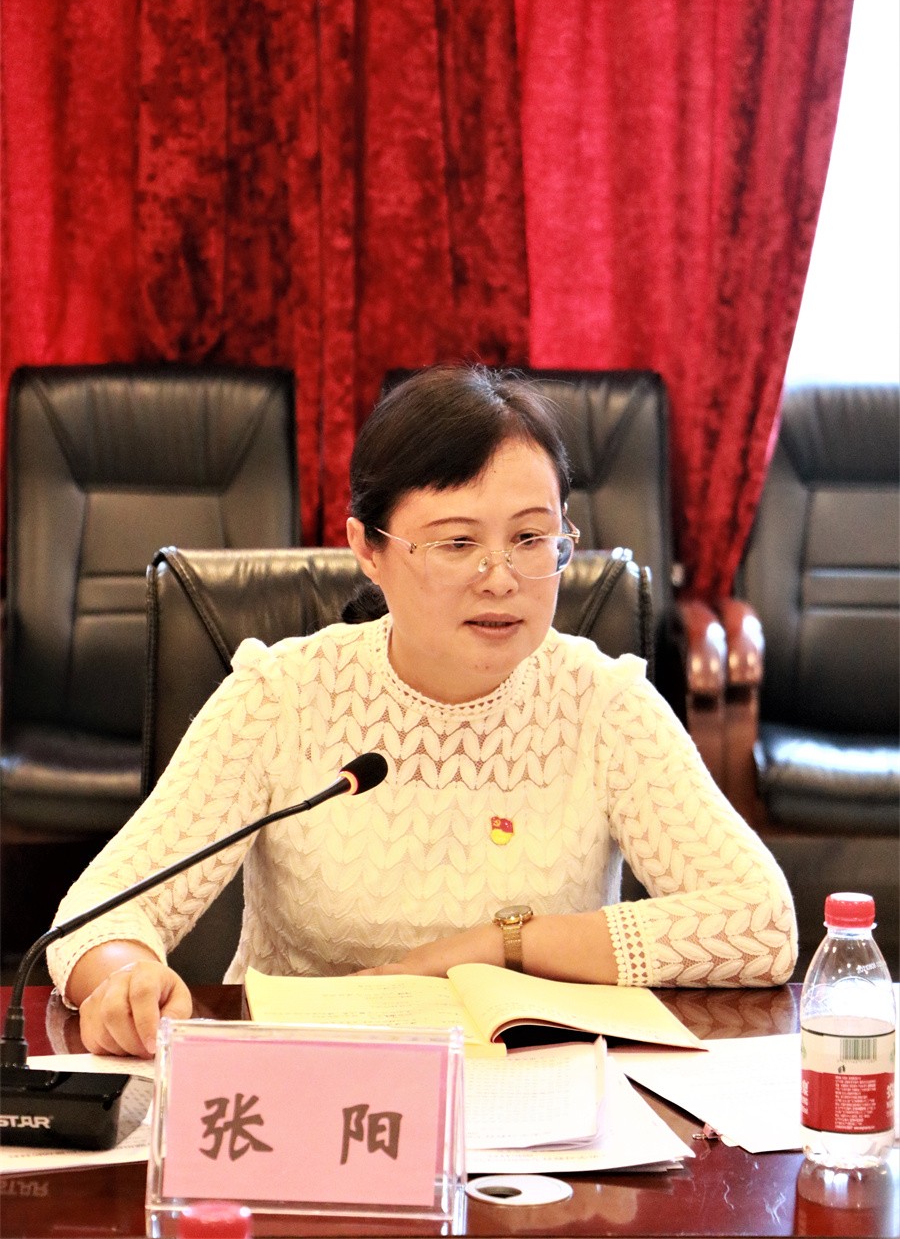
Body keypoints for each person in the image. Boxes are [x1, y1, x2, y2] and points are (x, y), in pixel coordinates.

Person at [47, 364, 797, 1058]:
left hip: (534, 1092)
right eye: (457, 542)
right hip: (310, 1084)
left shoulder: (603, 704)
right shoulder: (281, 697)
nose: (501, 578)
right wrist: (126, 977)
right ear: (367, 549)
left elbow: (762, 923)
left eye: (530, 538)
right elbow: (100, 915)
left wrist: (497, 946)